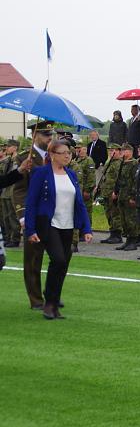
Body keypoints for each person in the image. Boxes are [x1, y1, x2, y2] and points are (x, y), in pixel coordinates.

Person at [24, 139, 92, 320]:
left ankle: (54, 302)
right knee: (58, 260)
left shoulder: (71, 174)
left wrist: (86, 228)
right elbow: (31, 202)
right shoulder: (41, 173)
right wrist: (30, 230)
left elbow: (79, 203)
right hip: (49, 224)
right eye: (63, 153)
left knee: (63, 264)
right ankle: (49, 301)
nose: (67, 156)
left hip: (68, 225)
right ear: (52, 155)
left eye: (69, 153)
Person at [13, 123, 52, 310]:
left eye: (51, 134)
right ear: (35, 135)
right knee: (33, 260)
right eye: (45, 134)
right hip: (34, 216)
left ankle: (52, 294)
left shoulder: (55, 157)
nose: (49, 138)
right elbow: (19, 190)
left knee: (60, 258)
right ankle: (36, 299)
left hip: (54, 216)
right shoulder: (24, 158)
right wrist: (22, 216)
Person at [115, 144, 140, 251]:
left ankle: (133, 241)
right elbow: (119, 179)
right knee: (124, 219)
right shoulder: (122, 163)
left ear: (130, 152)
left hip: (129, 195)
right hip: (122, 195)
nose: (122, 152)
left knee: (131, 219)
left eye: (124, 150)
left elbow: (136, 181)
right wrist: (116, 192)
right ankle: (127, 240)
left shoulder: (134, 164)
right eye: (122, 150)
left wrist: (133, 196)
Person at [99, 143, 124, 244]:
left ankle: (117, 235)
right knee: (109, 213)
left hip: (113, 192)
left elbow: (119, 179)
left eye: (113, 150)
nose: (111, 152)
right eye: (109, 150)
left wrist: (116, 192)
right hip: (106, 192)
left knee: (115, 214)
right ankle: (112, 233)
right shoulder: (109, 162)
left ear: (119, 151)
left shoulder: (118, 163)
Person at [0, 139, 21, 247]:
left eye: (9, 146)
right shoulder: (7, 160)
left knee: (13, 216)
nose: (6, 148)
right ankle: (7, 238)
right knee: (6, 217)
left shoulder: (18, 159)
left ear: (15, 147)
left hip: (13, 191)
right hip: (5, 191)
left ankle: (15, 239)